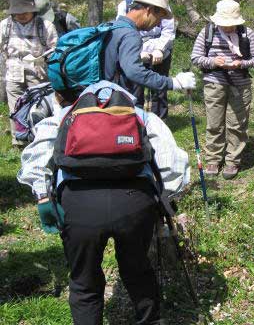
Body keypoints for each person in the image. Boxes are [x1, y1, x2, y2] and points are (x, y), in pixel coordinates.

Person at [17, 79, 190, 325]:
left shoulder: (65, 115)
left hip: (78, 204)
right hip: (134, 202)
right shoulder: (140, 114)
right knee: (137, 269)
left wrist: (42, 196)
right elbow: (173, 164)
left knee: (83, 281)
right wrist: (163, 198)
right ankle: (150, 320)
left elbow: (35, 157)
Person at [191, 0, 254, 179]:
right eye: (224, 24)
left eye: (231, 25)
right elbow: (196, 57)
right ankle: (213, 158)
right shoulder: (207, 32)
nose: (228, 28)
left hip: (240, 84)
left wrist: (241, 63)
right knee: (214, 123)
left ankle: (233, 160)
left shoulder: (248, 34)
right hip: (214, 83)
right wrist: (213, 62)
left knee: (237, 124)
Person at [107, 0, 195, 98]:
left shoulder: (111, 26)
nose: (158, 23)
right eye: (159, 18)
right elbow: (134, 72)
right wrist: (175, 83)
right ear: (149, 10)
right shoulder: (131, 35)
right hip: (112, 101)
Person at [116, 0, 176, 119]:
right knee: (134, 89)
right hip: (136, 50)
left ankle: (159, 123)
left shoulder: (162, 4)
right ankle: (137, 122)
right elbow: (122, 30)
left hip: (160, 51)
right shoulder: (125, 6)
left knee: (159, 91)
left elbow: (168, 30)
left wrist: (160, 50)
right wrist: (138, 52)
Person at [1, 0, 58, 146]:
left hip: (38, 72)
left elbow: (55, 48)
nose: (21, 16)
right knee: (15, 106)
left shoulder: (45, 26)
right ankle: (18, 139)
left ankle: (39, 137)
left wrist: (44, 58)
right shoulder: (5, 26)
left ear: (32, 10)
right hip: (13, 71)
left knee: (38, 104)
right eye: (18, 13)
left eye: (25, 12)